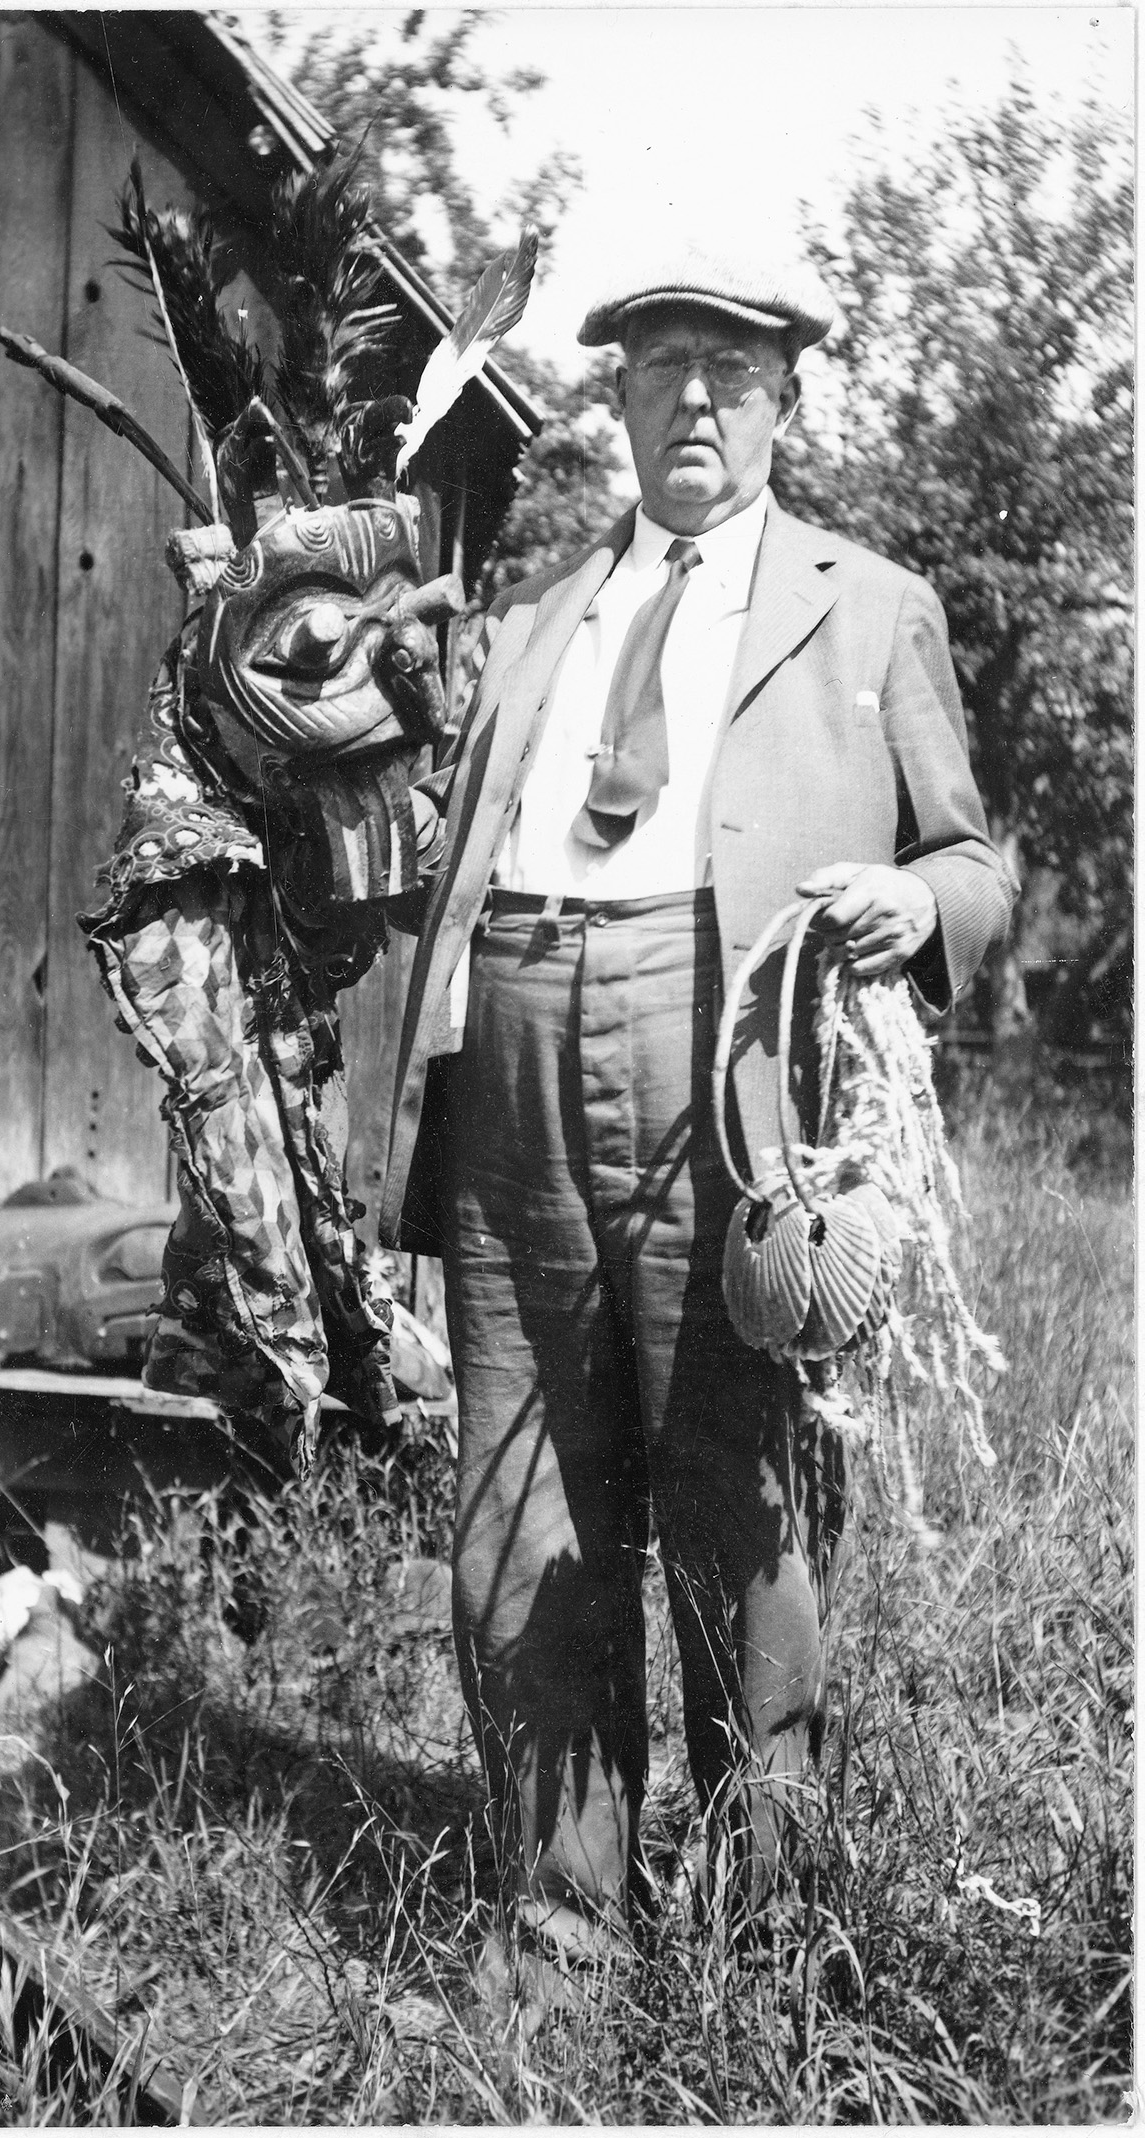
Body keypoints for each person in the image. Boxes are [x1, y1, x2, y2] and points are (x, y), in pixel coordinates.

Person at [379, 242, 1015, 1958]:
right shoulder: (541, 616)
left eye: (733, 371)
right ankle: (559, 1920)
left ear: (786, 399)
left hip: (723, 1046)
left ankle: (764, 1915)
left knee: (733, 1479)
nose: (697, 399)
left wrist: (919, 903)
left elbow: (976, 861)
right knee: (524, 1496)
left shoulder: (869, 604)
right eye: (662, 367)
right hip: (513, 1030)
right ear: (619, 399)